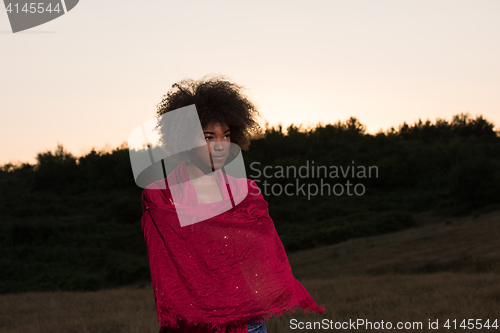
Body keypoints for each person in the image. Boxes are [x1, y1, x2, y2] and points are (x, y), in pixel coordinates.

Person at [141, 75, 324, 333]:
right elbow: (172, 264)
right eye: (208, 137)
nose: (220, 146)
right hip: (191, 325)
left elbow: (264, 258)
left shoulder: (246, 194)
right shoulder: (162, 196)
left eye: (226, 136)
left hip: (246, 323)